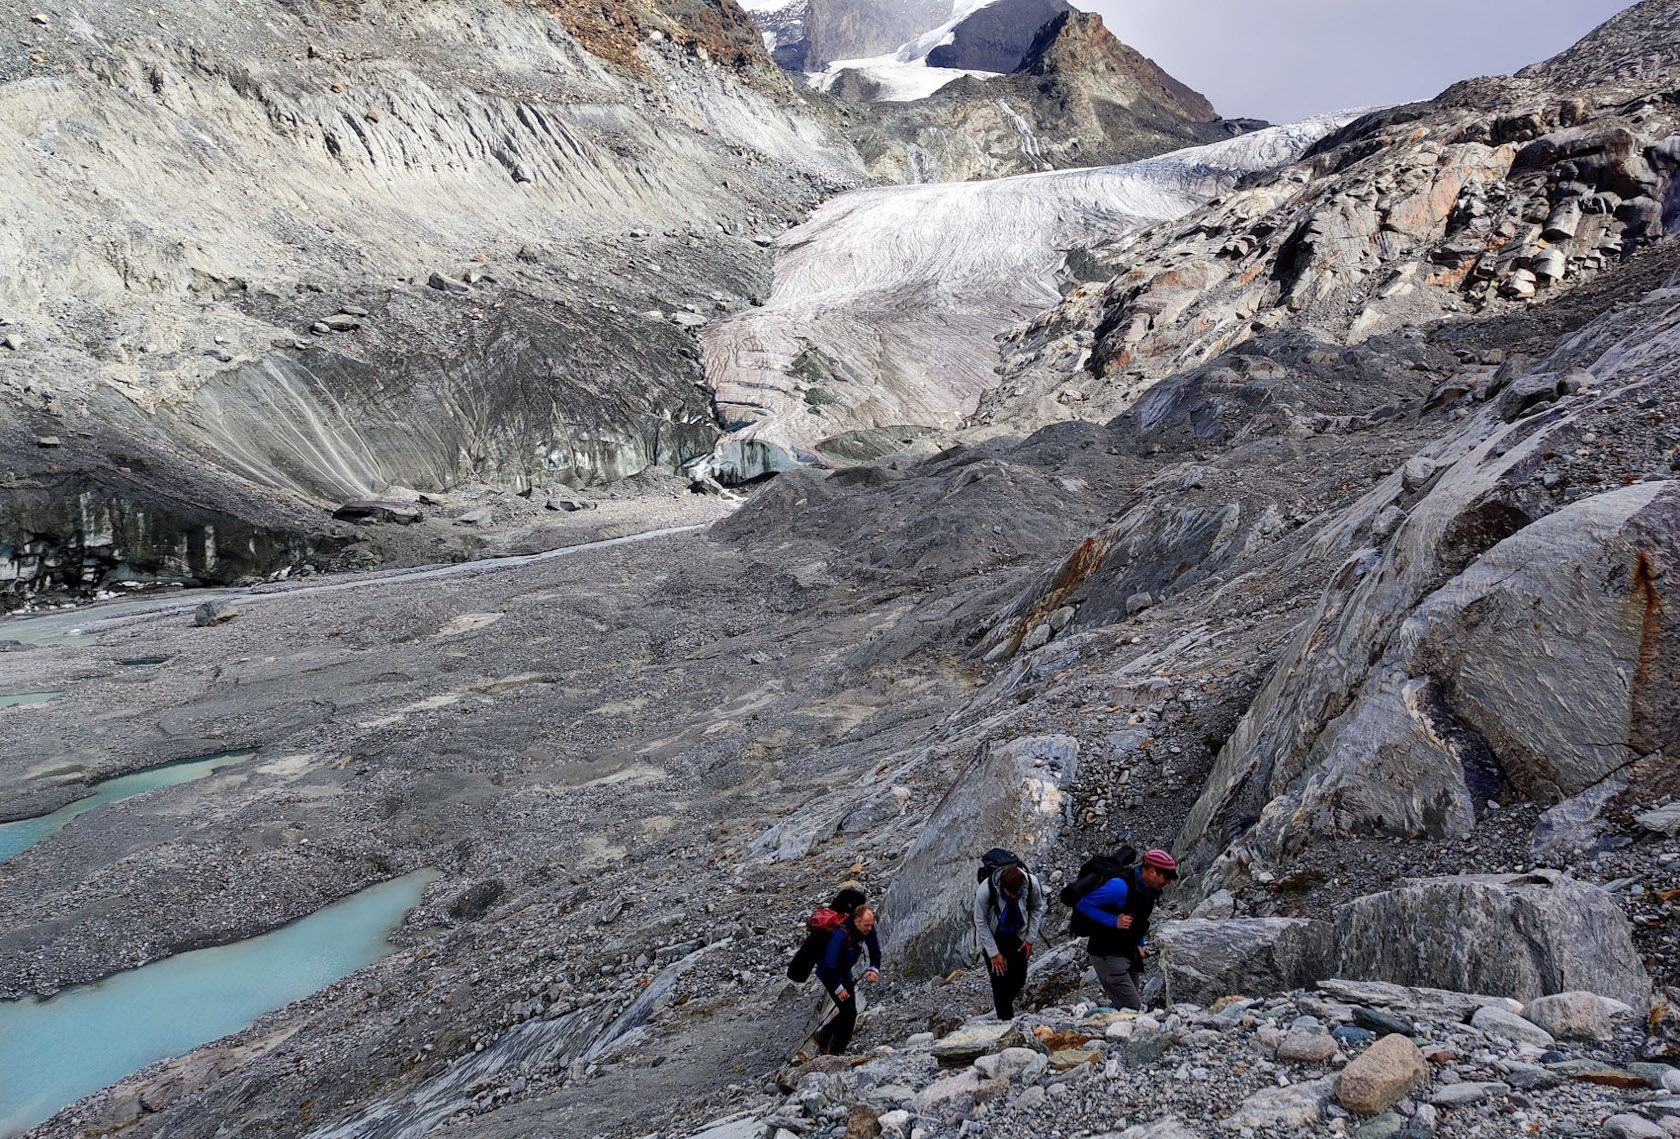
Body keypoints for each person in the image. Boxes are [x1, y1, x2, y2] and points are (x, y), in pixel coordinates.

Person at [1074, 848, 1176, 1010]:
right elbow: (1083, 903)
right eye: (1166, 877)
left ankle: (1107, 1028)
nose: (1168, 882)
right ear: (1151, 871)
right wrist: (1114, 920)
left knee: (1126, 1006)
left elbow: (1140, 919)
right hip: (1107, 953)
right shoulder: (1119, 887)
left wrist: (1140, 943)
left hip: (1128, 952)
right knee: (1133, 1007)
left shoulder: (1148, 891)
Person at [974, 863, 1045, 1020]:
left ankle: (1006, 1011)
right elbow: (980, 921)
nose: (1014, 896)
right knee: (999, 983)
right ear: (1002, 886)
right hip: (993, 935)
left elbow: (1036, 908)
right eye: (1009, 893)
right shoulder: (986, 890)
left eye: (1017, 892)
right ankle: (1005, 1023)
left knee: (1019, 978)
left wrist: (1029, 939)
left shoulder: (1031, 884)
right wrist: (993, 953)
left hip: (1017, 935)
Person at [811, 904, 881, 1055]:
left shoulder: (867, 929)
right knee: (849, 1012)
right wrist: (838, 988)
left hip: (844, 972)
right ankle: (836, 1051)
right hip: (830, 975)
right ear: (857, 922)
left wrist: (873, 969)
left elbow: (875, 951)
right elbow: (828, 965)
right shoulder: (840, 935)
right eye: (866, 925)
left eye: (871, 925)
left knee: (848, 1011)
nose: (869, 929)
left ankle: (823, 1038)